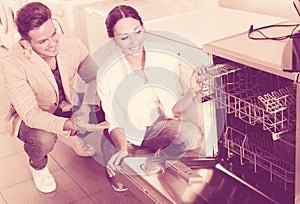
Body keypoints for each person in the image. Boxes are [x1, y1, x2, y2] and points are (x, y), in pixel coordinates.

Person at [97, 5, 212, 192]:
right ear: (114, 41)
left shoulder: (163, 56)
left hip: (162, 122)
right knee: (188, 137)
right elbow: (113, 122)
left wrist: (193, 89)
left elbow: (174, 109)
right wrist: (122, 149)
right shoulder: (108, 73)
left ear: (144, 28)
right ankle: (133, 155)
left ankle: (151, 156)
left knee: (198, 133)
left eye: (138, 32)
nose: (134, 42)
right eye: (124, 38)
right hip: (133, 129)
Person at [0, 2, 109, 193]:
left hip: (67, 105)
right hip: (35, 116)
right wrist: (71, 124)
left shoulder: (72, 44)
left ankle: (73, 136)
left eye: (54, 34)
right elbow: (31, 114)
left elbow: (94, 78)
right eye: (42, 41)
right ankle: (38, 166)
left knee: (104, 111)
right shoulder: (12, 62)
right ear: (26, 43)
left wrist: (83, 110)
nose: (52, 44)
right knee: (42, 139)